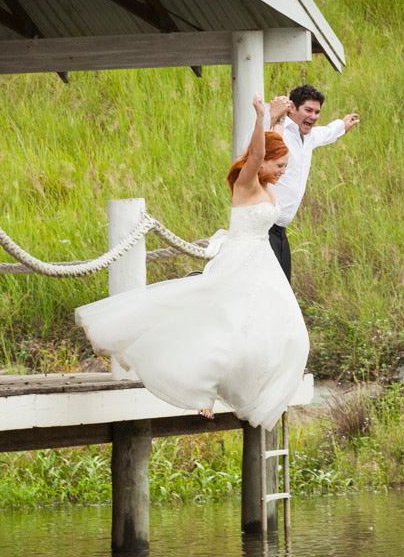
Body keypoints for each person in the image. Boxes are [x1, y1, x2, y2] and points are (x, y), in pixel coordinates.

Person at [74, 95, 309, 432]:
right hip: (240, 259)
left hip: (263, 264)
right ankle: (203, 390)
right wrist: (260, 117)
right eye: (280, 165)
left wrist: (276, 121)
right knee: (222, 324)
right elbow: (258, 153)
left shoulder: (267, 183)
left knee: (283, 332)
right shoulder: (246, 182)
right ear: (263, 163)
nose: (283, 172)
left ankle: (251, 388)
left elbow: (268, 149)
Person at [242, 84, 360, 281]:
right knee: (265, 290)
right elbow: (251, 148)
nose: (313, 116)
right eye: (308, 110)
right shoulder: (278, 130)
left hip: (279, 229)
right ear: (293, 109)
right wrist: (271, 115)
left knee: (282, 289)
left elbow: (327, 133)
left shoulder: (310, 137)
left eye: (317, 112)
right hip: (261, 226)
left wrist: (342, 125)